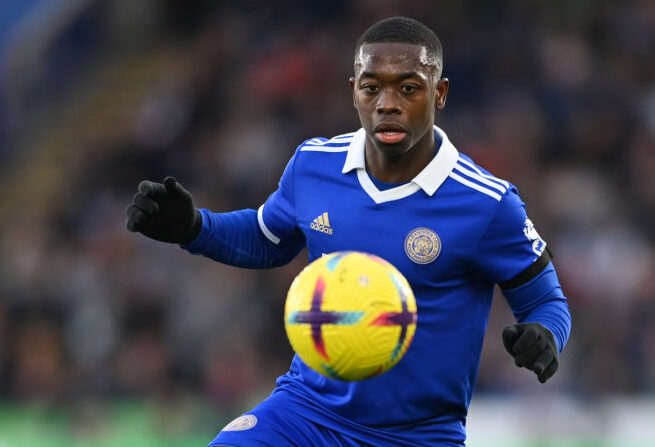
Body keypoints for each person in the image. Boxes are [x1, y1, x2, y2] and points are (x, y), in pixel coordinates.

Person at [126, 16, 571, 447]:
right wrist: (193, 227)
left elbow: (545, 299)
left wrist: (545, 336)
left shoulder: (487, 203)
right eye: (372, 86)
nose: (388, 103)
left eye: (409, 87)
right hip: (304, 412)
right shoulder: (313, 164)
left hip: (416, 436)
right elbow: (267, 238)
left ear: (441, 94)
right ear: (353, 91)